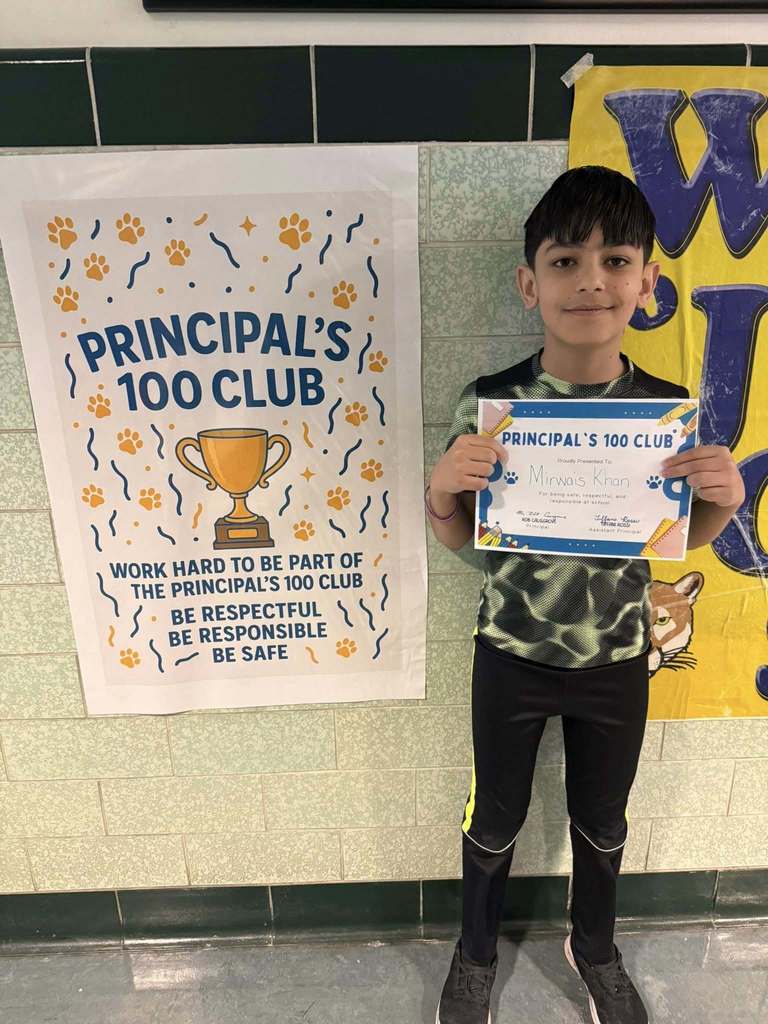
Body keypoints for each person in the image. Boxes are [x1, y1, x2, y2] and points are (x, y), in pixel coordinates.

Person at [427, 165, 745, 1024]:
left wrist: (722, 503)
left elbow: (678, 541)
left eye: (615, 260)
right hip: (510, 653)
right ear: (531, 283)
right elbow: (468, 545)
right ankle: (475, 949)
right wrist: (438, 495)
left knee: (603, 820)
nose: (591, 280)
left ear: (647, 283)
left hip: (614, 659)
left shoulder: (666, 412)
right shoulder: (490, 405)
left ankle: (593, 945)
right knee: (493, 816)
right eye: (565, 262)